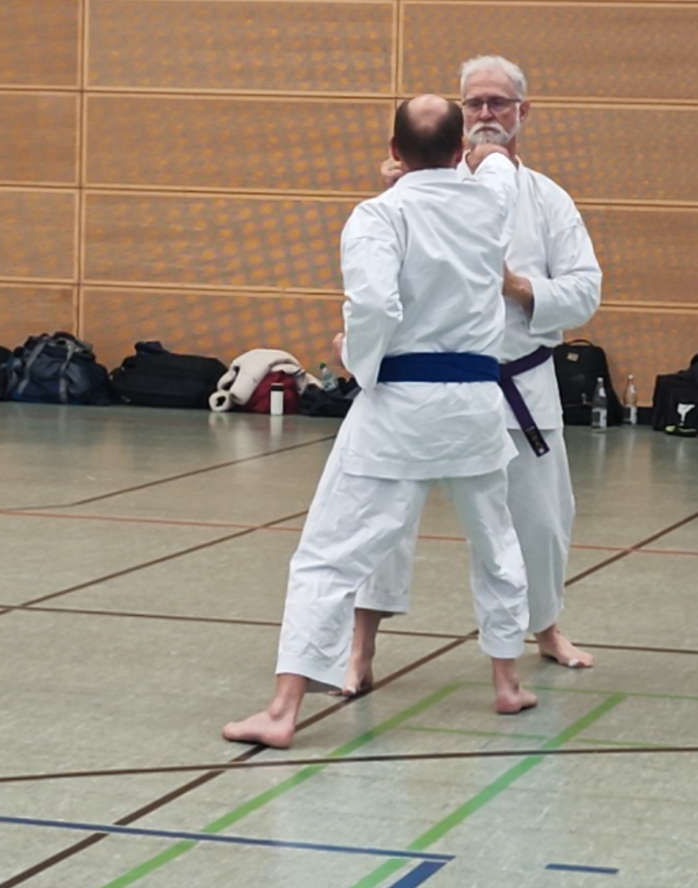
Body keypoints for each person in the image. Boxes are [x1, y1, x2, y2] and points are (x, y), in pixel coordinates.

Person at [223, 96, 534, 749]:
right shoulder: (492, 201)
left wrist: (351, 360)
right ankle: (506, 683)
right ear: (457, 154)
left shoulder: (377, 215)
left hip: (399, 408)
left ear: (392, 152)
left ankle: (282, 712)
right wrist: (485, 148)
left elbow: (373, 304)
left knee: (327, 557)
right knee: (496, 544)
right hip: (477, 406)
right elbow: (499, 159)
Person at [346, 55, 603, 694]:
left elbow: (586, 290)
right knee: (384, 521)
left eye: (499, 103)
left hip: (519, 382)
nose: (486, 114)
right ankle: (360, 649)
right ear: (460, 118)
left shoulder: (547, 199)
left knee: (540, 521)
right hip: (423, 386)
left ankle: (544, 629)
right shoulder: (422, 185)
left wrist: (522, 290)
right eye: (475, 104)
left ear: (523, 112)